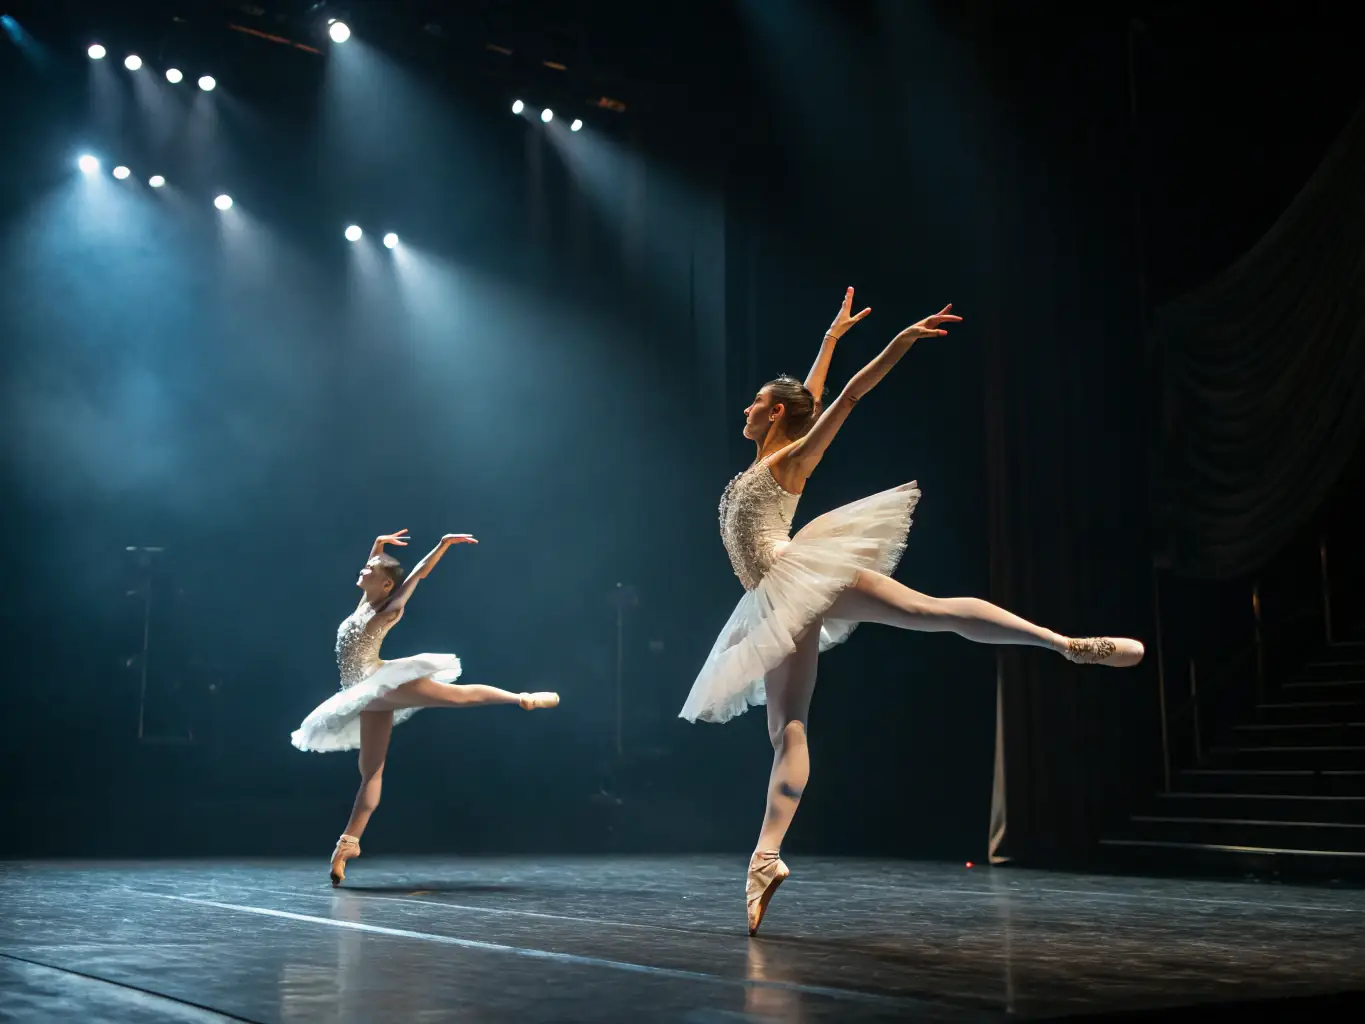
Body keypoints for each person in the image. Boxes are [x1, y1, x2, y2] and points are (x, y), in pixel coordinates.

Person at [680, 288, 1143, 934]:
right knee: (786, 729)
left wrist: (894, 344)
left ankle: (1061, 641)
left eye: (756, 400)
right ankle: (764, 860)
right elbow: (814, 394)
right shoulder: (769, 455)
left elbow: (842, 400)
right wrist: (830, 340)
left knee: (927, 612)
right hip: (772, 598)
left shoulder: (791, 457)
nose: (746, 406)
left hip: (796, 572)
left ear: (774, 412)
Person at [290, 529, 559, 885]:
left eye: (370, 567)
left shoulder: (388, 608)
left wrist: (442, 544)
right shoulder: (364, 604)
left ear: (386, 586)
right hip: (363, 690)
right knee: (370, 772)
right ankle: (347, 845)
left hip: (379, 682)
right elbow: (377, 568)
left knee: (456, 696)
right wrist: (378, 545)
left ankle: (520, 698)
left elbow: (416, 574)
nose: (364, 569)